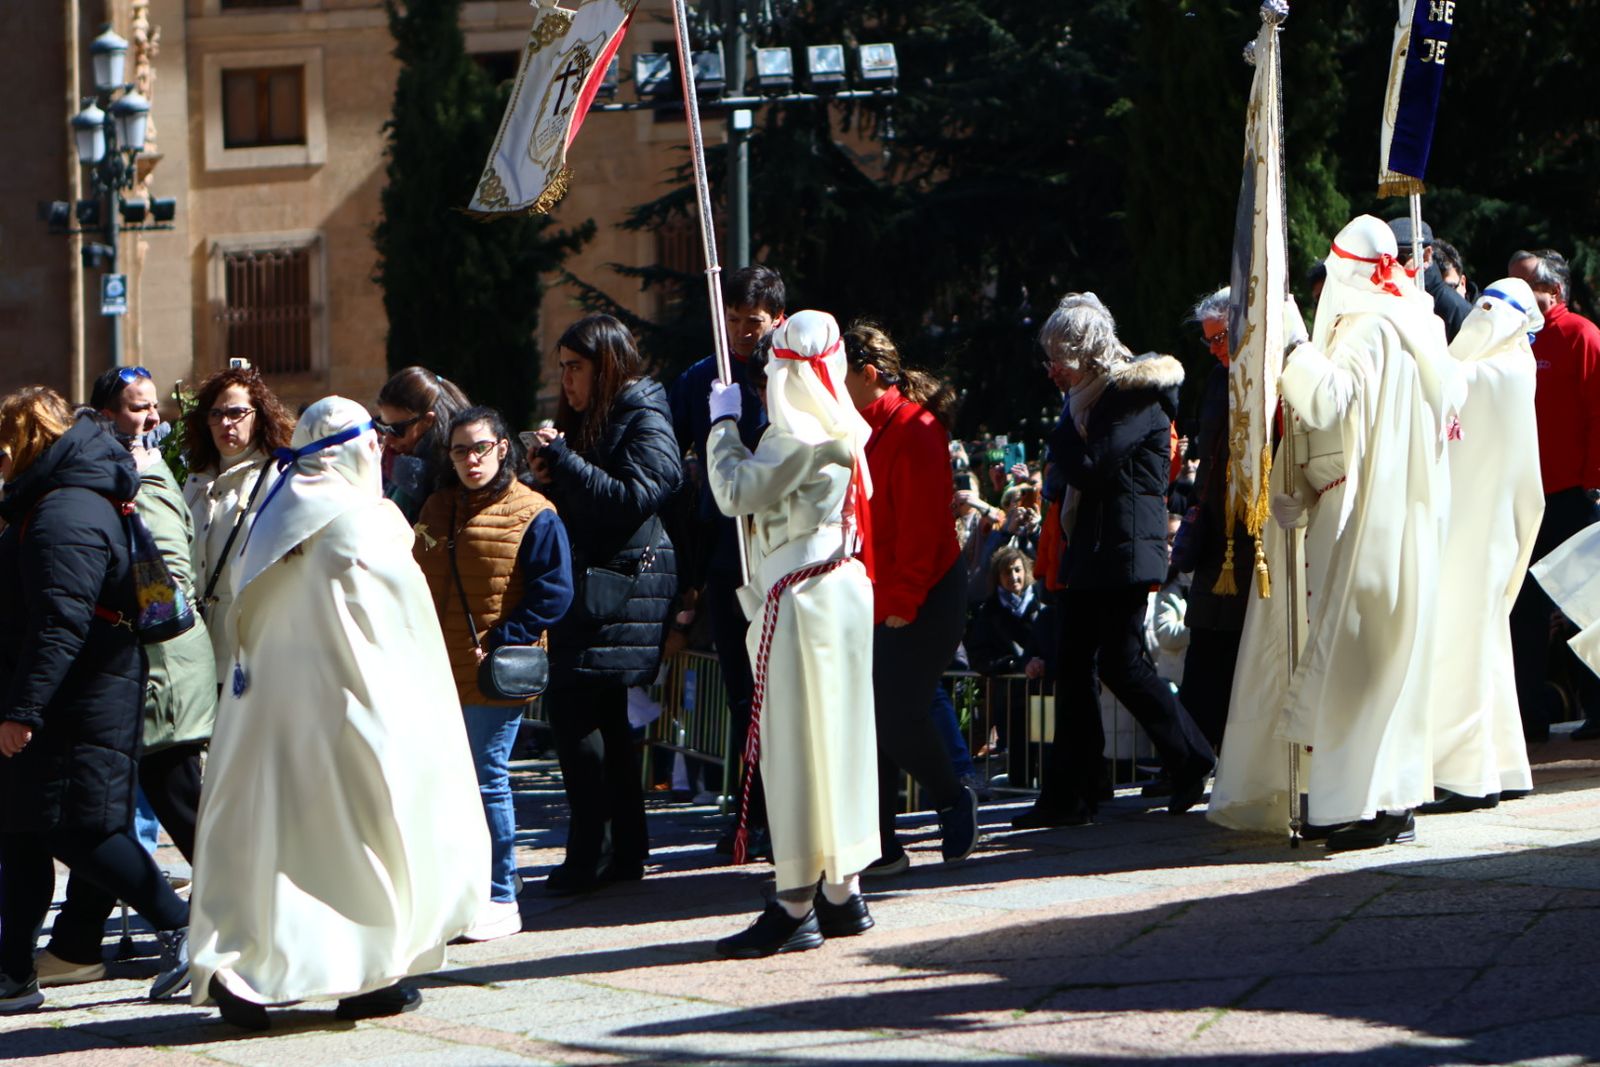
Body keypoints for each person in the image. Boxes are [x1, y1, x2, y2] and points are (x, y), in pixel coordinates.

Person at [187, 397, 487, 1030]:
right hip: (352, 716)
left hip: (265, 721)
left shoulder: (271, 514)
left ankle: (256, 970)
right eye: (373, 440)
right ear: (355, 448)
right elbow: (405, 633)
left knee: (275, 849)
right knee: (365, 847)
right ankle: (364, 973)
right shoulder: (365, 520)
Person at [1258, 214, 1460, 850]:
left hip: (1368, 516)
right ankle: (1394, 800)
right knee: (1394, 666)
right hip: (1416, 519)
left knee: (1351, 666)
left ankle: (1350, 807)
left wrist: (1294, 348)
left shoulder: (1368, 326)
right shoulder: (1418, 322)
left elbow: (1329, 400)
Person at [0, 388, 190, 1014]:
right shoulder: (62, 500)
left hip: (80, 698)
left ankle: (182, 928)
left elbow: (59, 621)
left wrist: (22, 711)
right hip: (74, 692)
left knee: (82, 829)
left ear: (25, 440)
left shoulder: (65, 511)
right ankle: (14, 973)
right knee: (25, 829)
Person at [706, 310, 879, 957]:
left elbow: (733, 491)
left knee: (795, 753)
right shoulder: (845, 427)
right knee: (839, 748)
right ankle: (842, 891)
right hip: (837, 595)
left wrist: (722, 425)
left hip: (801, 603)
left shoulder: (797, 434)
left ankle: (795, 901)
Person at [39, 369, 218, 986]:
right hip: (143, 667)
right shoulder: (123, 471)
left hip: (156, 670)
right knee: (104, 814)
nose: (148, 418)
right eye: (135, 409)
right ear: (105, 413)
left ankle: (254, 917)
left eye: (151, 408)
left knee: (180, 807)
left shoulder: (137, 475)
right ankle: (77, 943)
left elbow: (164, 583)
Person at [1011, 293, 1215, 830]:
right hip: (1097, 550)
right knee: (1076, 668)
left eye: (1063, 357)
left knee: (1122, 666)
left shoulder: (1132, 397)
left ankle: (1189, 758)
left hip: (1122, 551)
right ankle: (1075, 790)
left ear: (1088, 353)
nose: (1054, 369)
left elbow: (1092, 467)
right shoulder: (1091, 398)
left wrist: (1058, 437)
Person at [530, 315, 682, 895]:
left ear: (607, 365)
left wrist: (567, 464)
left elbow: (639, 496)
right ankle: (622, 855)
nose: (566, 381)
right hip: (599, 586)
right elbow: (593, 499)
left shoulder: (644, 415)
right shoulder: (602, 419)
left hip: (621, 590)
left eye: (576, 368)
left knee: (578, 718)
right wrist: (551, 476)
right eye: (562, 368)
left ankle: (590, 855)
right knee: (605, 724)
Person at [414, 406, 573, 941]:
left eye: (480, 447)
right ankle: (467, 887)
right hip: (436, 667)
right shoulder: (437, 508)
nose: (470, 459)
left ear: (503, 448)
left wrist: (506, 637)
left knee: (486, 779)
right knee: (447, 785)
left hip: (493, 672)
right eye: (460, 450)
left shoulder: (534, 511)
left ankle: (502, 893)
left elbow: (555, 591)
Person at [842, 322, 979, 874]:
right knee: (869, 718)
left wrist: (902, 599)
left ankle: (952, 797)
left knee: (897, 715)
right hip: (880, 592)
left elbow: (923, 529)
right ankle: (881, 843)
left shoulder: (916, 428)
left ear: (869, 375)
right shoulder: (864, 426)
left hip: (924, 592)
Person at [668, 265, 784, 857]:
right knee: (743, 694)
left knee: (783, 687)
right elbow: (673, 461)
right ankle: (750, 817)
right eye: (732, 320)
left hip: (780, 551)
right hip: (723, 554)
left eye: (753, 321)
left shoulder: (790, 376)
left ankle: (789, 812)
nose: (741, 332)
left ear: (777, 320)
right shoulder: (698, 378)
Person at [1423, 280, 1545, 812]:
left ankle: (1463, 774)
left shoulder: (1493, 371)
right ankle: (1505, 763)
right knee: (1489, 649)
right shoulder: (1516, 366)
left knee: (1461, 651)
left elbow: (1445, 375)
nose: (1483, 317)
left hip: (1471, 532)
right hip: (1487, 529)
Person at [1507, 249, 1600, 742]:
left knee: (1585, 607)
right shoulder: (1510, 341)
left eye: (1526, 289)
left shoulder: (1581, 336)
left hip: (1571, 496)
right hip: (1525, 495)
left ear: (1554, 294)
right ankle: (1527, 712)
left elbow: (1597, 412)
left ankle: (1597, 705)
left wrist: (1593, 482)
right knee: (1524, 610)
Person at [1173, 287, 1253, 750]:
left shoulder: (1263, 374)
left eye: (1221, 338)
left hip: (1251, 534)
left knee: (1239, 653)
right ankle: (1191, 753)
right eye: (1209, 341)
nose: (1215, 349)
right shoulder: (1216, 380)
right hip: (1214, 533)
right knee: (1204, 648)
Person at [182, 366, 294, 681]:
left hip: (250, 647)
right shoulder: (195, 481)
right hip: (196, 646)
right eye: (215, 414)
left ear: (259, 416)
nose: (225, 423)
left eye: (236, 412)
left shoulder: (277, 477)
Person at [965, 546, 1046, 787]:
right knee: (1018, 757)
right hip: (1010, 698)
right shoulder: (989, 612)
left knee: (1047, 751)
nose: (1014, 577)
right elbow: (979, 655)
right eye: (1007, 573)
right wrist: (1008, 665)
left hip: (1042, 693)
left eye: (1018, 570)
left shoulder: (1043, 604)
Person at [376, 366, 471, 524]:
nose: (388, 439)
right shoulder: (394, 466)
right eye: (382, 427)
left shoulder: (452, 469)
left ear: (427, 420)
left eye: (396, 429)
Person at [1388, 217, 1473, 341]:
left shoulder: (1456, 310)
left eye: (1400, 258)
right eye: (1386, 260)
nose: (1392, 266)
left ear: (1426, 256)